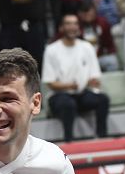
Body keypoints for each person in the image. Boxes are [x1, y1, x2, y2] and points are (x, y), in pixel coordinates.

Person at [42, 14, 109, 142]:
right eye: (68, 23)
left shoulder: (87, 47)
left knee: (103, 100)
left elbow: (94, 76)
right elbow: (50, 83)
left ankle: (102, 137)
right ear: (61, 28)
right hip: (59, 95)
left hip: (82, 93)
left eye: (75, 23)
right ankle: (69, 141)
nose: (72, 27)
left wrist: (93, 82)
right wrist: (70, 86)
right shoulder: (51, 50)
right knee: (68, 104)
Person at [75, 0, 119, 73]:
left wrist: (107, 52)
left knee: (112, 61)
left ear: (94, 11)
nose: (87, 15)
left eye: (89, 12)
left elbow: (109, 44)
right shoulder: (74, 25)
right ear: (79, 13)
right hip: (80, 58)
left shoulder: (103, 23)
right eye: (84, 14)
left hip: (99, 56)